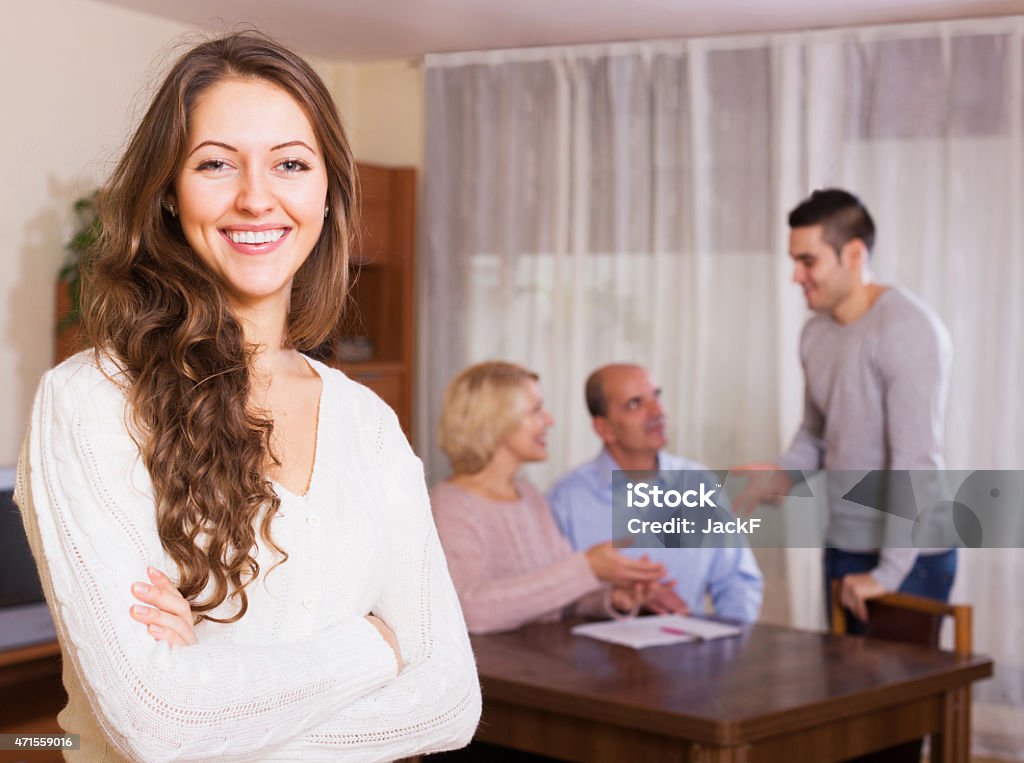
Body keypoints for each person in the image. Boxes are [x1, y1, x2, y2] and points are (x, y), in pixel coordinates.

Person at [14, 32, 479, 761]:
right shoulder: (89, 400)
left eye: (291, 163)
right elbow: (158, 723)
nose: (256, 196)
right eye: (215, 164)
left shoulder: (369, 423)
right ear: (168, 194)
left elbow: (450, 701)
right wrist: (376, 646)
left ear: (328, 194)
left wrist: (217, 693)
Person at [735, 188, 955, 626]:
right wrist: (783, 474)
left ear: (853, 254)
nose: (796, 275)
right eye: (793, 261)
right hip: (844, 544)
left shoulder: (907, 330)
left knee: (897, 696)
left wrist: (889, 574)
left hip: (909, 558)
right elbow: (819, 430)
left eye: (808, 261)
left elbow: (915, 459)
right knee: (845, 689)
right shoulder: (815, 334)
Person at [432, 361, 666, 635]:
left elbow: (555, 596)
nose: (549, 420)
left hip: (544, 668)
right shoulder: (451, 505)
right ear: (495, 421)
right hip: (495, 675)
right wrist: (587, 567)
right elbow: (472, 611)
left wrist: (612, 598)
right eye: (535, 410)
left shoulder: (528, 494)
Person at [548, 364, 764, 623]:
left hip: (689, 655)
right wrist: (616, 597)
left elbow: (738, 580)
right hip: (594, 659)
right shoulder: (564, 500)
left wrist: (728, 642)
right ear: (604, 429)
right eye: (635, 404)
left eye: (657, 396)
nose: (658, 412)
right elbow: (552, 601)